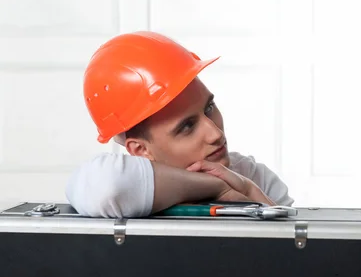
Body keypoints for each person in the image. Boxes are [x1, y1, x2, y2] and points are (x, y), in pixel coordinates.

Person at [65, 31, 294, 218]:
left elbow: (296, 262)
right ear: (141, 151)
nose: (215, 134)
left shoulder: (252, 176)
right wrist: (217, 186)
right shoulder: (111, 182)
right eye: (187, 126)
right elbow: (107, 186)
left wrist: (248, 190)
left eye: (209, 108)